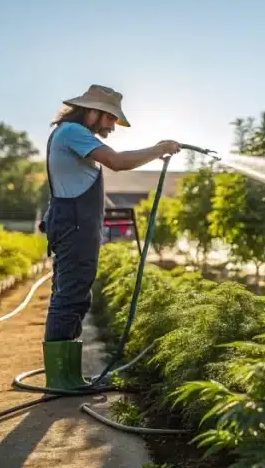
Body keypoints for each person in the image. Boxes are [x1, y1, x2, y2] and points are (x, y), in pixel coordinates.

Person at [40, 84, 182, 390]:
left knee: (72, 294)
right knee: (71, 297)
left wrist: (109, 209)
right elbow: (117, 162)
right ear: (91, 112)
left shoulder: (71, 136)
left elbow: (79, 182)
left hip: (74, 223)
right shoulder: (73, 132)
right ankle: (62, 379)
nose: (112, 127)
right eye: (109, 119)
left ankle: (67, 375)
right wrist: (159, 149)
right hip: (75, 226)